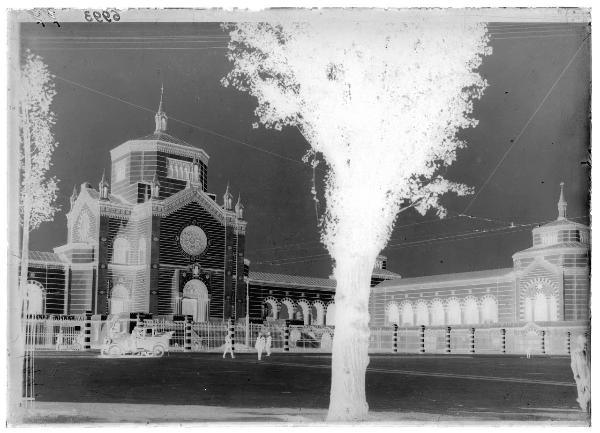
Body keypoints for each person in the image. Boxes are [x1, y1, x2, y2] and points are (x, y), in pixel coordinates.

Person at [570, 335, 590, 413]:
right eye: (583, 344)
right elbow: (573, 364)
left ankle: (583, 401)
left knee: (589, 389)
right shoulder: (575, 353)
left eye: (586, 344)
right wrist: (575, 374)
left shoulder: (589, 351)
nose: (585, 345)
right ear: (580, 344)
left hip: (589, 373)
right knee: (581, 390)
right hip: (580, 374)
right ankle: (584, 406)